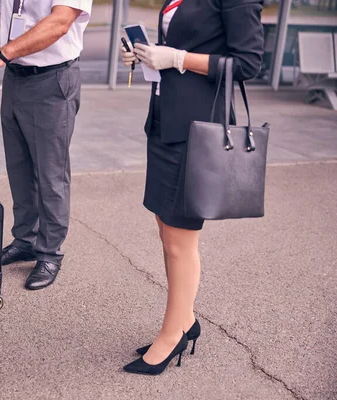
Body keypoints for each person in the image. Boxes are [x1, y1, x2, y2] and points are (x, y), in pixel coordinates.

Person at [119, 0, 264, 375]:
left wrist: (178, 59)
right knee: (166, 230)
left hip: (197, 131)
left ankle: (173, 336)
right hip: (165, 123)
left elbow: (248, 64)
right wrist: (148, 57)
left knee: (181, 240)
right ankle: (184, 319)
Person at [0, 0, 92, 290]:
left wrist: (1, 54)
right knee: (19, 168)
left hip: (52, 80)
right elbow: (0, 18)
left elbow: (60, 22)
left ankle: (50, 253)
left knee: (51, 174)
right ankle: (25, 240)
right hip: (16, 77)